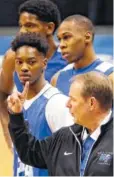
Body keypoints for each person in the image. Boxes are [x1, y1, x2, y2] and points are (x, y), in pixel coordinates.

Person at [7, 71, 113, 176]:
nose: (67, 104)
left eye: (73, 99)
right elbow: (30, 152)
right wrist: (16, 115)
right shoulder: (64, 137)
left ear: (91, 103)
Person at [0, 0, 67, 155]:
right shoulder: (12, 57)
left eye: (29, 25)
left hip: (60, 145)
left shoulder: (67, 59)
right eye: (21, 25)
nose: (22, 31)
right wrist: (9, 137)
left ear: (49, 28)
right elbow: (3, 93)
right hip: (27, 144)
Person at [9, 32, 73, 176]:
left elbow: (70, 157)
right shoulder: (17, 105)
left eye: (31, 62)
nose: (24, 67)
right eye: (19, 62)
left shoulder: (56, 103)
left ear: (44, 63)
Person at [51, 14, 114, 95]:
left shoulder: (110, 76)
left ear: (87, 37)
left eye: (66, 37)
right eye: (60, 39)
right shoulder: (57, 78)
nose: (61, 45)